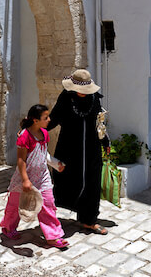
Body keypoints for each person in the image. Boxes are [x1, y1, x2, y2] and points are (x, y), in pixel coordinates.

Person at [48, 69, 109, 235]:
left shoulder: (95, 98)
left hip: (92, 148)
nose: (83, 93)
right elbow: (53, 119)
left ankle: (89, 220)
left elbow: (100, 122)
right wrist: (35, 131)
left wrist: (105, 141)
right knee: (66, 181)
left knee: (92, 184)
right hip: (69, 148)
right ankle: (49, 217)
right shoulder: (66, 97)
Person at [0, 104, 69, 248]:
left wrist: (56, 164)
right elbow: (21, 160)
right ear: (35, 120)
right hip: (24, 178)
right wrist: (25, 180)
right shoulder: (25, 136)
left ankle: (53, 236)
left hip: (42, 176)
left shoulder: (44, 133)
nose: (49, 120)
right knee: (14, 205)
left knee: (48, 205)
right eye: (45, 117)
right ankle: (8, 228)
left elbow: (44, 155)